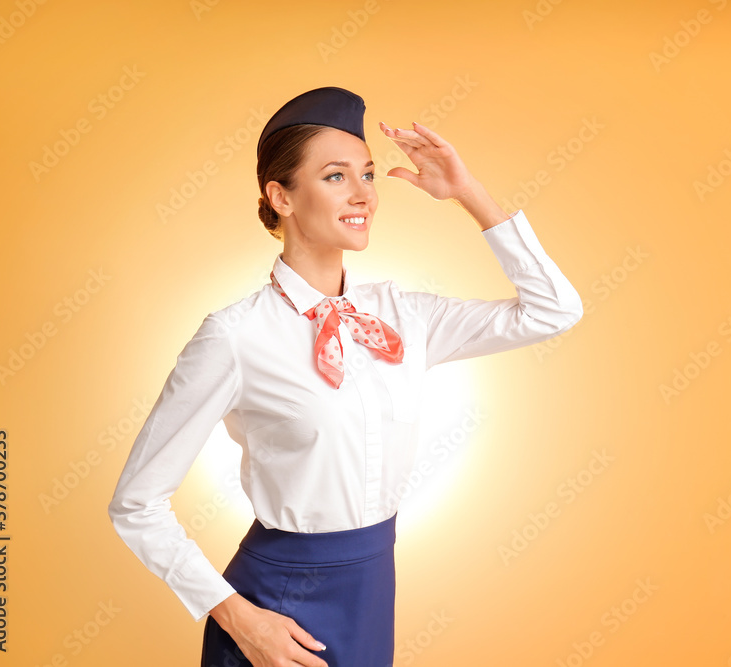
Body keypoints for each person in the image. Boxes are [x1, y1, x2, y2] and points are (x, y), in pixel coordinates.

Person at [107, 86, 584, 666]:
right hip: (273, 611)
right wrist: (238, 618)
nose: (363, 194)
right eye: (335, 176)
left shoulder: (405, 316)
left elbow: (552, 310)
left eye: (368, 174)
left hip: (371, 592)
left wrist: (468, 193)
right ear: (280, 196)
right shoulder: (235, 336)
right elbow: (136, 504)